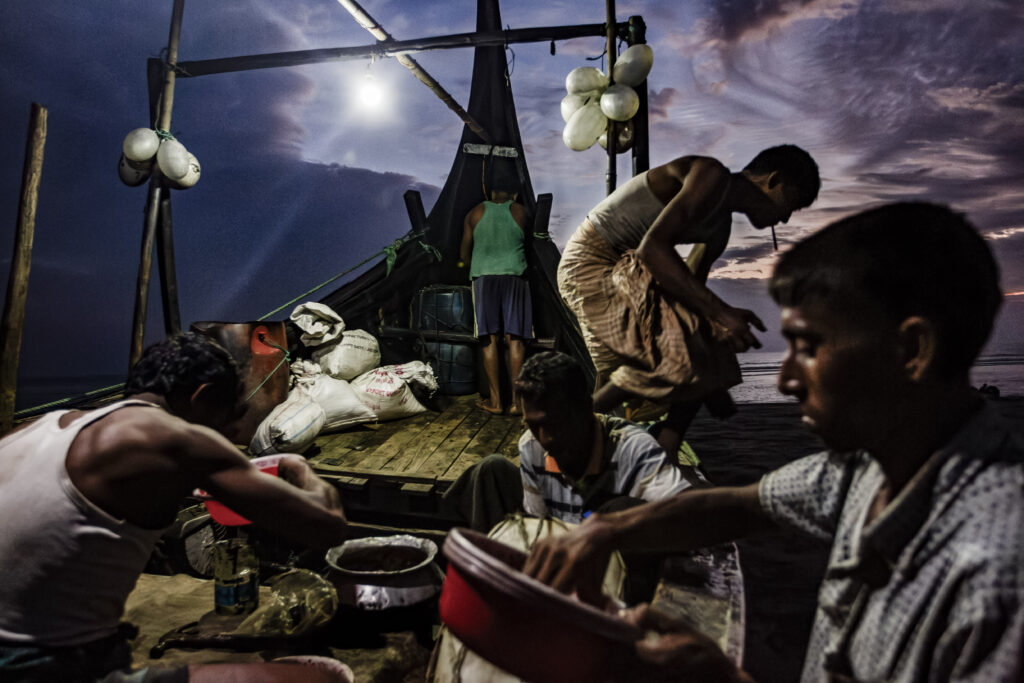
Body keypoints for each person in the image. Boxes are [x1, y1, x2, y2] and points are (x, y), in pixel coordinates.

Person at [526, 203, 1023, 682]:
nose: (785, 380)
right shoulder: (870, 468)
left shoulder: (996, 576)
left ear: (912, 350)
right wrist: (603, 531)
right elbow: (743, 506)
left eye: (807, 347)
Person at [0, 332, 351, 683]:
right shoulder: (171, 437)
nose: (229, 436)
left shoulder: (35, 429)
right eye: (228, 420)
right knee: (321, 678)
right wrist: (297, 467)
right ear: (202, 397)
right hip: (41, 668)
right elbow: (328, 526)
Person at [558, 145, 820, 457]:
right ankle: (564, 440)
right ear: (773, 180)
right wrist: (722, 314)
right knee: (659, 361)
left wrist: (714, 348)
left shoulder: (719, 228)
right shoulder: (711, 175)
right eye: (792, 204)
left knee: (705, 341)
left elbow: (689, 295)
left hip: (628, 270)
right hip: (591, 263)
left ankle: (665, 446)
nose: (786, 218)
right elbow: (653, 249)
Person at [443, 351, 691, 535]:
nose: (545, 438)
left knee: (619, 509)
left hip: (614, 570)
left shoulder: (632, 447)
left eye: (555, 423)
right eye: (533, 424)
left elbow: (687, 518)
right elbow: (541, 529)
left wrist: (615, 528)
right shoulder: (532, 445)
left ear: (585, 409)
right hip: (563, 555)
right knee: (490, 468)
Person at [460, 159, 533, 415]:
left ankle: (496, 402)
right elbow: (532, 246)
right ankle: (517, 403)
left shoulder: (475, 213)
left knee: (489, 339)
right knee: (515, 339)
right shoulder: (521, 212)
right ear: (515, 193)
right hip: (514, 276)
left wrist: (475, 261)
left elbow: (464, 255)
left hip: (484, 278)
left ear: (489, 192)